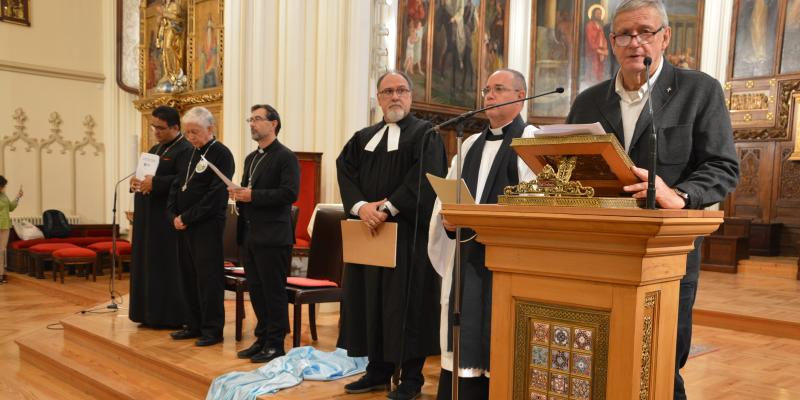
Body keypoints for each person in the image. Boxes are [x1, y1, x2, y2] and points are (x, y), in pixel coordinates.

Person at [565, 1, 740, 399]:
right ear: (611, 43)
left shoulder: (698, 91)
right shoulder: (588, 101)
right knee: (600, 357)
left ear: (665, 37)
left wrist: (677, 194)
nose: (634, 42)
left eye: (644, 31)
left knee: (659, 363)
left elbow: (724, 167)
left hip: (667, 254)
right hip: (598, 251)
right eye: (624, 34)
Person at [428, 69, 539, 400]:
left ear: (520, 96)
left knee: (497, 337)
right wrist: (447, 221)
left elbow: (535, 203)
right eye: (486, 89)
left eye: (499, 89)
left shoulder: (532, 140)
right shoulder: (470, 144)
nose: (489, 95)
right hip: (467, 258)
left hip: (505, 264)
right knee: (462, 332)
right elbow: (446, 198)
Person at [336, 70, 446, 400]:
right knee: (369, 301)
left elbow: (425, 178)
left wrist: (387, 208)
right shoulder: (362, 137)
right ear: (379, 98)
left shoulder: (426, 134)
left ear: (410, 96)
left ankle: (411, 379)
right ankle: (377, 371)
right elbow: (345, 174)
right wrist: (360, 208)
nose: (394, 97)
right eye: (387, 92)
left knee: (406, 305)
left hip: (407, 238)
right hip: (368, 236)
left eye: (401, 91)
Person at [231, 104, 299, 363]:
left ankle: (276, 344)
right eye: (250, 119)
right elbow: (249, 191)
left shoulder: (285, 157)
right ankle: (261, 339)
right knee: (257, 291)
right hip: (250, 235)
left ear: (274, 124)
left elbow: (289, 193)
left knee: (273, 291)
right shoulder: (252, 158)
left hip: (273, 237)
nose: (252, 123)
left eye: (258, 119)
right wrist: (239, 195)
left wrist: (252, 195)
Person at [167, 106, 235, 347]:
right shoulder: (188, 153)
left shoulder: (221, 153)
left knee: (208, 279)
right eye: (187, 132)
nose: (190, 137)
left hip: (207, 225)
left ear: (210, 129)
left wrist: (188, 217)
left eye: (195, 132)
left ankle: (212, 329)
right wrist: (173, 214)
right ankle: (192, 324)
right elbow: (177, 185)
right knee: (187, 276)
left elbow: (215, 195)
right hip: (183, 225)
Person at [129, 106, 193, 328]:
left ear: (175, 127)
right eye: (153, 126)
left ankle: (168, 316)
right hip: (147, 218)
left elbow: (184, 180)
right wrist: (136, 181)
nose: (155, 131)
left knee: (163, 267)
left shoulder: (185, 149)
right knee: (146, 264)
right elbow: (145, 175)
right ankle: (145, 312)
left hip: (164, 219)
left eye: (161, 128)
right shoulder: (155, 148)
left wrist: (155, 183)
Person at [0, 176, 23, 284]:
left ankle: (0, 275)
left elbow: (11, 207)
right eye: (3, 186)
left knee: (1, 251)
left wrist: (18, 197)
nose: (5, 188)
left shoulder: (4, 196)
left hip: (5, 226)